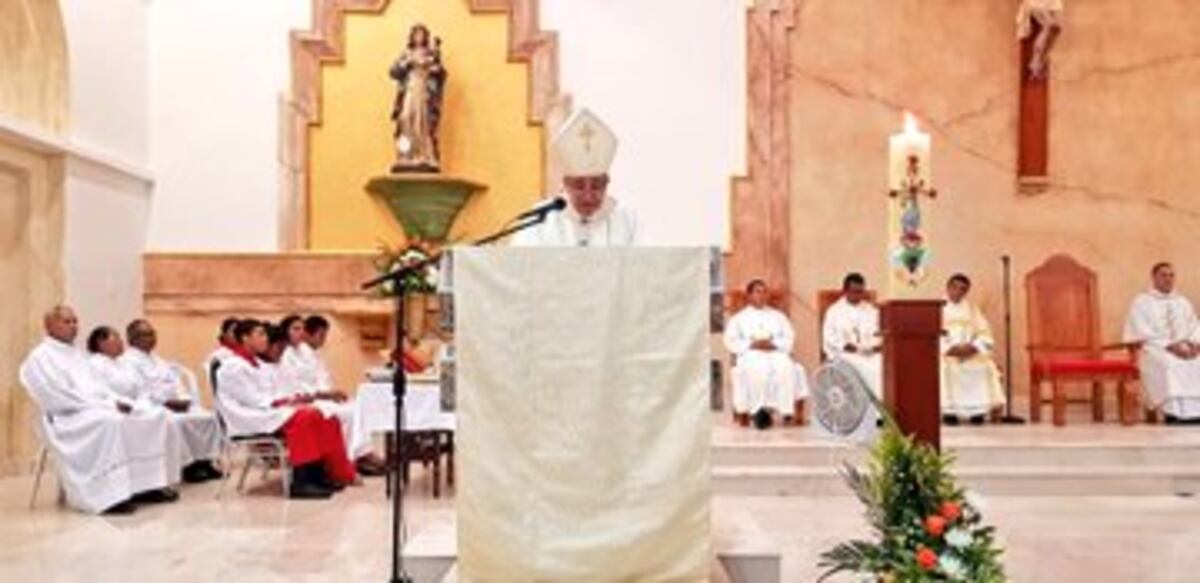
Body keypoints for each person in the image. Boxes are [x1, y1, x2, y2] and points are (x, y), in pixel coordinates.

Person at [19, 306, 179, 514]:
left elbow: (99, 387)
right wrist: (106, 405)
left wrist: (117, 401)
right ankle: (108, 495)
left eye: (75, 321)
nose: (73, 326)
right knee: (111, 422)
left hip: (94, 407)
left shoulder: (77, 355)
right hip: (67, 416)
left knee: (150, 415)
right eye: (67, 322)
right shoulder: (41, 357)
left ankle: (145, 486)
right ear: (49, 325)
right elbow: (59, 397)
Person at [215, 319, 357, 498]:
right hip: (248, 416)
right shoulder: (233, 366)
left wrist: (290, 399)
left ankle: (321, 475)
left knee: (325, 416)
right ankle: (302, 482)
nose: (265, 339)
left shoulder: (256, 363)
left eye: (264, 334)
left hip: (265, 411)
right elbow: (252, 399)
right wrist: (285, 401)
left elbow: (273, 391)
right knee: (305, 417)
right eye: (260, 334)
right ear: (245, 338)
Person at [511, 108, 638, 247]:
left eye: (596, 186)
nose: (588, 196)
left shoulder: (627, 221)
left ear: (607, 183)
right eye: (579, 186)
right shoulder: (539, 221)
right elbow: (519, 258)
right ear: (565, 185)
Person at [279, 315, 386, 476]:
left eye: (302, 328)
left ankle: (361, 454)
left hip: (319, 398)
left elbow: (320, 380)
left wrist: (331, 394)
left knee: (356, 406)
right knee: (348, 413)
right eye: (295, 329)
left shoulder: (305, 352)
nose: (300, 333)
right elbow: (295, 387)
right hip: (304, 401)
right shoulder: (286, 354)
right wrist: (326, 395)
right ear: (285, 331)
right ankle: (354, 458)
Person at [121, 319, 224, 481]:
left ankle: (205, 461)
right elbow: (140, 390)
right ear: (132, 338)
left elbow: (175, 382)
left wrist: (184, 399)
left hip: (176, 403)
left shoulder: (157, 359)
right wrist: (166, 403)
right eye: (146, 334)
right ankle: (189, 466)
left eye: (153, 334)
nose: (152, 338)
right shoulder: (127, 362)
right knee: (178, 422)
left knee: (207, 417)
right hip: (155, 406)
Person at [724, 280, 809, 427]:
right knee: (757, 371)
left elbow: (789, 336)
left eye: (764, 292)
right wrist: (752, 344)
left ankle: (786, 411)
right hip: (751, 353)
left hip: (775, 352)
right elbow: (731, 340)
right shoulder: (738, 318)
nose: (762, 295)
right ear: (749, 295)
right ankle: (757, 411)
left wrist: (774, 344)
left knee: (786, 368)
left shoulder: (778, 316)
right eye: (758, 292)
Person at [1123, 262, 1200, 424]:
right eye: (1163, 275)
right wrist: (1170, 345)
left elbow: (1194, 326)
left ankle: (1195, 412)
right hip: (1155, 348)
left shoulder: (1182, 302)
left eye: (1171, 275)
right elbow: (1141, 331)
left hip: (1185, 347)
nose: (1168, 279)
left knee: (1197, 362)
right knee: (1169, 363)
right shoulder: (1141, 302)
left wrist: (1195, 344)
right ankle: (1173, 413)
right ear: (1154, 278)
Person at [940, 274, 1006, 425]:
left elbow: (985, 332)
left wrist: (974, 347)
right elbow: (934, 334)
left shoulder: (972, 309)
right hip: (947, 352)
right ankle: (950, 412)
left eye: (963, 289)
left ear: (967, 291)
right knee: (946, 368)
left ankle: (977, 411)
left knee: (985, 366)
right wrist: (950, 349)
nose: (958, 292)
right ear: (948, 287)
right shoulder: (938, 308)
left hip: (970, 351)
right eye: (955, 287)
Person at [822, 273, 882, 400]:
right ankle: (859, 406)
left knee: (881, 365)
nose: (857, 295)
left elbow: (879, 332)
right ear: (845, 290)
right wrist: (845, 346)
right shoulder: (834, 311)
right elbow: (829, 336)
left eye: (860, 292)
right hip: (844, 353)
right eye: (854, 291)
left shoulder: (871, 310)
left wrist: (875, 346)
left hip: (868, 353)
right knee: (860, 367)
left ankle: (876, 408)